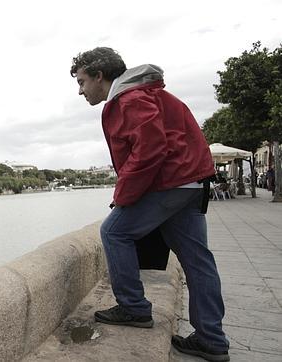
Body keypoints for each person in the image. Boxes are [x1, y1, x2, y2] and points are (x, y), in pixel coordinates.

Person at [71, 47, 229, 361]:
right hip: (190, 181)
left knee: (114, 232)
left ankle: (134, 308)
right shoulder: (149, 93)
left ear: (100, 76)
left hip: (170, 182)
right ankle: (212, 339)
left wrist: (122, 196)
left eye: (82, 81)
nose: (80, 90)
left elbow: (150, 150)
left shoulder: (129, 99)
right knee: (198, 261)